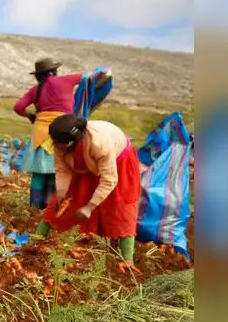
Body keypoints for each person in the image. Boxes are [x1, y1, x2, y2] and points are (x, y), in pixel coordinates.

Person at [34, 114, 141, 263]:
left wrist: (89, 207)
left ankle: (127, 260)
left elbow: (109, 180)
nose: (54, 145)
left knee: (120, 206)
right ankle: (36, 240)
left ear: (70, 142)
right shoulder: (59, 143)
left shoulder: (100, 144)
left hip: (118, 162)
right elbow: (62, 170)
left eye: (57, 143)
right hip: (85, 162)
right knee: (59, 203)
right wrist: (61, 193)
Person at [13, 58, 84, 209]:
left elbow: (18, 107)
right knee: (57, 171)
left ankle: (34, 208)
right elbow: (89, 77)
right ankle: (52, 208)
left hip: (41, 133)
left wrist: (31, 116)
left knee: (39, 173)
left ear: (38, 75)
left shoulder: (35, 90)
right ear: (54, 71)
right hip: (62, 132)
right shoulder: (67, 80)